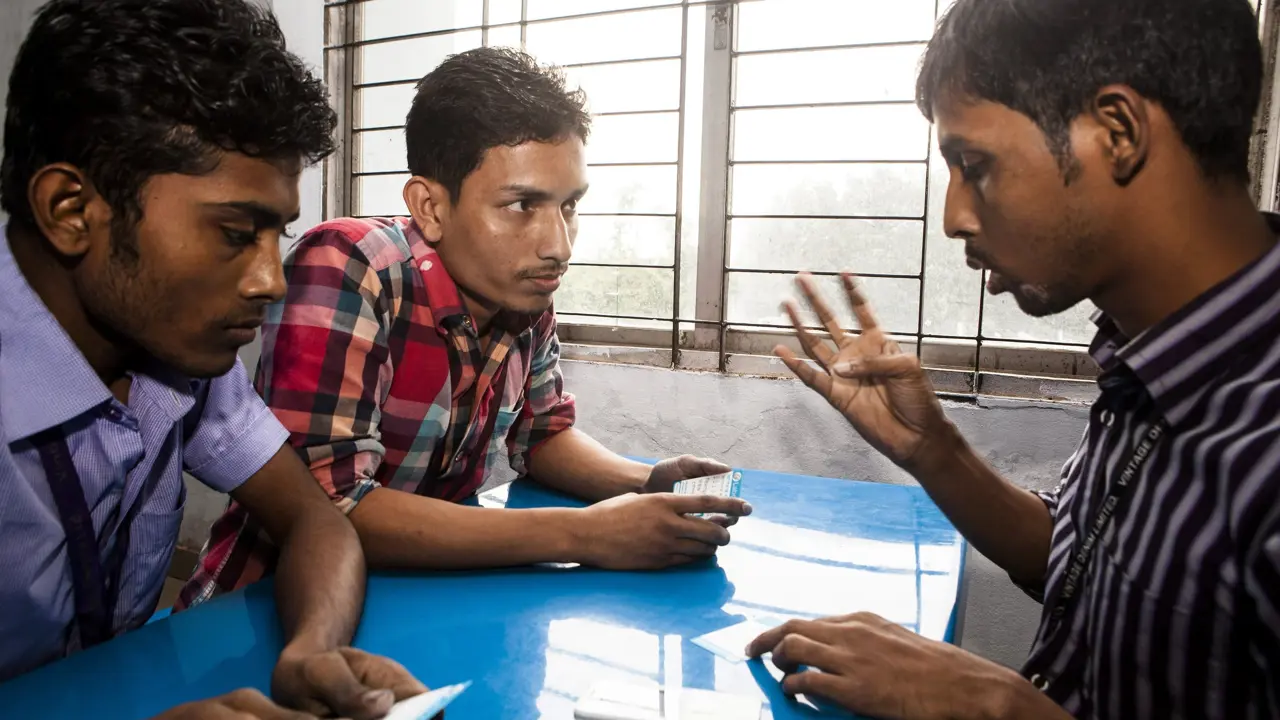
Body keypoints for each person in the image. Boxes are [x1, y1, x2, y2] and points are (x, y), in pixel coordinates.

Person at [747, 0, 1280, 718]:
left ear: (1117, 131)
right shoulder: (1159, 355)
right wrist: (933, 450)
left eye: (974, 164)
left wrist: (1002, 706)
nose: (953, 216)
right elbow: (1086, 565)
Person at [178, 47, 750, 604]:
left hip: (427, 601)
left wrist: (647, 483)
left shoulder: (523, 290)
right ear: (429, 207)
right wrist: (584, 534)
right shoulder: (352, 268)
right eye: (522, 205)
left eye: (569, 206)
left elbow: (542, 435)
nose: (558, 245)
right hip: (263, 611)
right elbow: (331, 504)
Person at [0, 0, 427, 717]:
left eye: (276, 235)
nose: (272, 280)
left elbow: (313, 519)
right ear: (72, 210)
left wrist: (312, 649)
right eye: (235, 233)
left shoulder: (172, 352)